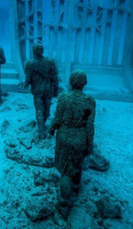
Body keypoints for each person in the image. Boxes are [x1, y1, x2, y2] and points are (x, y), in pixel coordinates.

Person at [49, 70, 96, 218]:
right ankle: (75, 188)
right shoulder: (90, 101)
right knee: (77, 164)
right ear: (84, 83)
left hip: (64, 136)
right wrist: (89, 145)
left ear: (70, 82)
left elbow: (57, 118)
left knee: (66, 172)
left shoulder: (64, 98)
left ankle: (64, 205)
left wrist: (51, 129)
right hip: (80, 138)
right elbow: (90, 126)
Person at [24, 43, 59, 139]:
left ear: (33, 51)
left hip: (37, 91)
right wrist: (55, 90)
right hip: (48, 90)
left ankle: (41, 131)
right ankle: (42, 125)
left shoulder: (30, 64)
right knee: (47, 110)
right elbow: (55, 78)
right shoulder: (50, 62)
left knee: (39, 110)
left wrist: (26, 84)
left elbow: (28, 79)